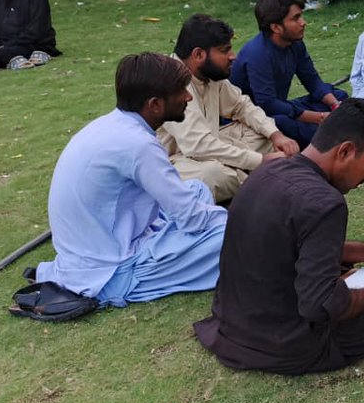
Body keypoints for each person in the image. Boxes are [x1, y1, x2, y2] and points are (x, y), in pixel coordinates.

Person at [194, 98, 364, 375]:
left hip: (231, 326)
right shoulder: (324, 202)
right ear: (345, 151)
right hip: (284, 342)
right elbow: (318, 305)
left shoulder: (266, 172)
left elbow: (285, 244)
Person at [35, 53, 226, 306]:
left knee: (197, 188)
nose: (188, 97)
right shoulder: (139, 146)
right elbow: (193, 217)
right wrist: (237, 220)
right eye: (181, 91)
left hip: (99, 245)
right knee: (231, 235)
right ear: (155, 104)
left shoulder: (111, 124)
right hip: (110, 269)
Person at [159, 14, 299, 203]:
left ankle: (246, 173)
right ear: (198, 54)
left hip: (207, 147)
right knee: (213, 175)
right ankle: (253, 178)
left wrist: (275, 134)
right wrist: (258, 161)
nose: (233, 56)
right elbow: (198, 146)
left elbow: (242, 106)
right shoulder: (171, 82)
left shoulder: (210, 74)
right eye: (225, 50)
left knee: (263, 136)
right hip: (174, 160)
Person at [230, 0, 348, 148]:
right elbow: (268, 104)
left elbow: (312, 81)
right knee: (282, 122)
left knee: (338, 94)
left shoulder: (295, 43)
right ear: (276, 27)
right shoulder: (257, 54)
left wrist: (335, 105)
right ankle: (330, 136)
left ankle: (331, 129)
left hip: (283, 107)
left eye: (301, 16)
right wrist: (319, 117)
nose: (303, 22)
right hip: (258, 118)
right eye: (296, 18)